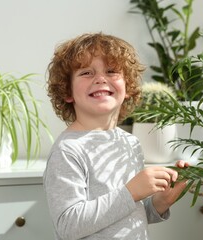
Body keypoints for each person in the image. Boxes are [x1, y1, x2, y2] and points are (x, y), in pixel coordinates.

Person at [43, 32, 189, 240]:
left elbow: (129, 213)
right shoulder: (68, 150)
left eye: (111, 71)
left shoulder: (129, 142)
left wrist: (161, 201)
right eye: (86, 73)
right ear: (67, 91)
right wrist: (131, 192)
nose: (100, 79)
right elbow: (68, 226)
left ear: (127, 88)